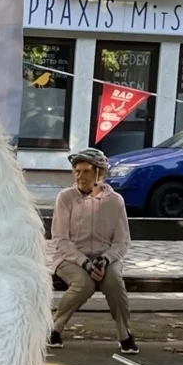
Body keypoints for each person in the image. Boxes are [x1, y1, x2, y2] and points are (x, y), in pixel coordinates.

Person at [48, 148, 137, 350]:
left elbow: (122, 241)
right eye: (77, 171)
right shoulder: (65, 198)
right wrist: (85, 263)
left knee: (114, 281)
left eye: (86, 171)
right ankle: (55, 329)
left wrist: (105, 260)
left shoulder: (115, 201)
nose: (80, 176)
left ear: (100, 173)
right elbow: (61, 240)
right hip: (70, 258)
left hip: (105, 258)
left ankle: (125, 334)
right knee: (84, 283)